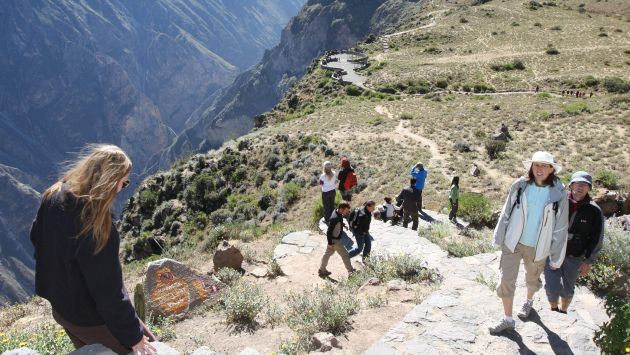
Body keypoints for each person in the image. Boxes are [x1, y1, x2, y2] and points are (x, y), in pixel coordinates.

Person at [30, 145, 156, 354]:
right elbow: (109, 295)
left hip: (61, 309)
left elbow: (37, 238)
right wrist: (133, 338)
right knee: (150, 348)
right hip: (89, 318)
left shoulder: (54, 194)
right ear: (109, 181)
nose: (122, 188)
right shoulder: (97, 227)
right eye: (123, 183)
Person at [489, 151, 569, 334]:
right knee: (506, 280)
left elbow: (561, 226)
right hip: (513, 242)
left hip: (538, 246)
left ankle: (529, 301)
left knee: (532, 279)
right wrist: (499, 236)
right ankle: (508, 319)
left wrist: (556, 256)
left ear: (551, 169)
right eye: (536, 165)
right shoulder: (520, 185)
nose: (539, 169)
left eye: (544, 165)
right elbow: (506, 212)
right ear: (531, 167)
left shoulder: (559, 193)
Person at [544, 171, 604, 314]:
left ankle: (564, 311)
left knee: (567, 289)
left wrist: (588, 261)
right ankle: (553, 309)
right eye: (577, 184)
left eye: (584, 185)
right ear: (571, 185)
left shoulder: (594, 210)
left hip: (575, 256)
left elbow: (597, 238)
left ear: (589, 188)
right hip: (553, 251)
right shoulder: (559, 201)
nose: (580, 187)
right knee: (551, 287)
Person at [319, 202, 355, 277]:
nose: (348, 212)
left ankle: (322, 270)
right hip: (334, 240)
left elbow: (339, 219)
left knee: (327, 254)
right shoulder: (334, 218)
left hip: (332, 240)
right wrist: (330, 243)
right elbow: (329, 231)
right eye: (347, 210)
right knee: (345, 255)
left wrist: (343, 225)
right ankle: (351, 272)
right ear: (342, 209)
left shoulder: (337, 211)